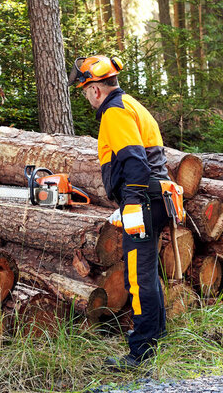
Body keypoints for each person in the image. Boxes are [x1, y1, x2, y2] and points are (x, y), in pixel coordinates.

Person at [70, 55, 171, 370]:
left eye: (86, 91)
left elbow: (135, 162)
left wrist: (131, 205)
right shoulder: (130, 104)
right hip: (154, 200)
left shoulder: (113, 112)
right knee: (148, 273)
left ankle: (140, 354)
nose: (87, 98)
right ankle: (156, 335)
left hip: (143, 201)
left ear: (96, 89)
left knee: (138, 278)